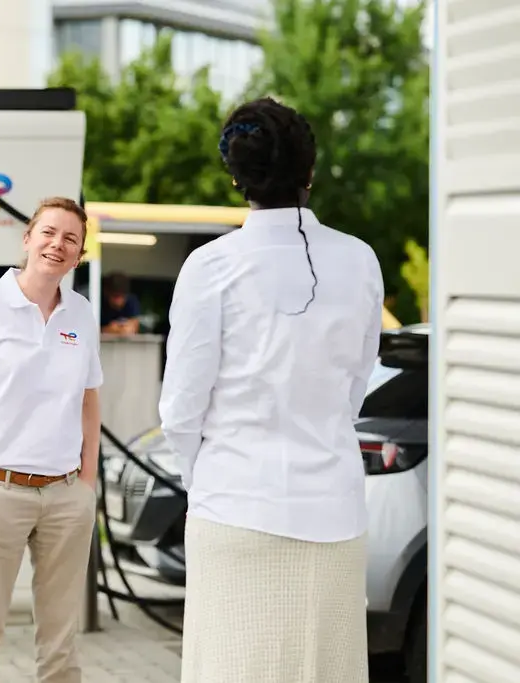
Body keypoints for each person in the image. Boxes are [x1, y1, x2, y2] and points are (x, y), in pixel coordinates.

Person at [159, 96, 382, 682]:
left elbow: (182, 408)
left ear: (237, 177)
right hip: (335, 509)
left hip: (234, 506)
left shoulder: (211, 266)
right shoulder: (360, 261)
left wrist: (205, 477)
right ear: (310, 171)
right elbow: (357, 382)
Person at [0, 197, 102, 683]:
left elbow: (89, 402)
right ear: (27, 238)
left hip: (65, 494)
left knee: (60, 643)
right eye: (49, 233)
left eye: (70, 239)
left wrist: (88, 484)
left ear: (78, 255)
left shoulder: (81, 312)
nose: (58, 245)